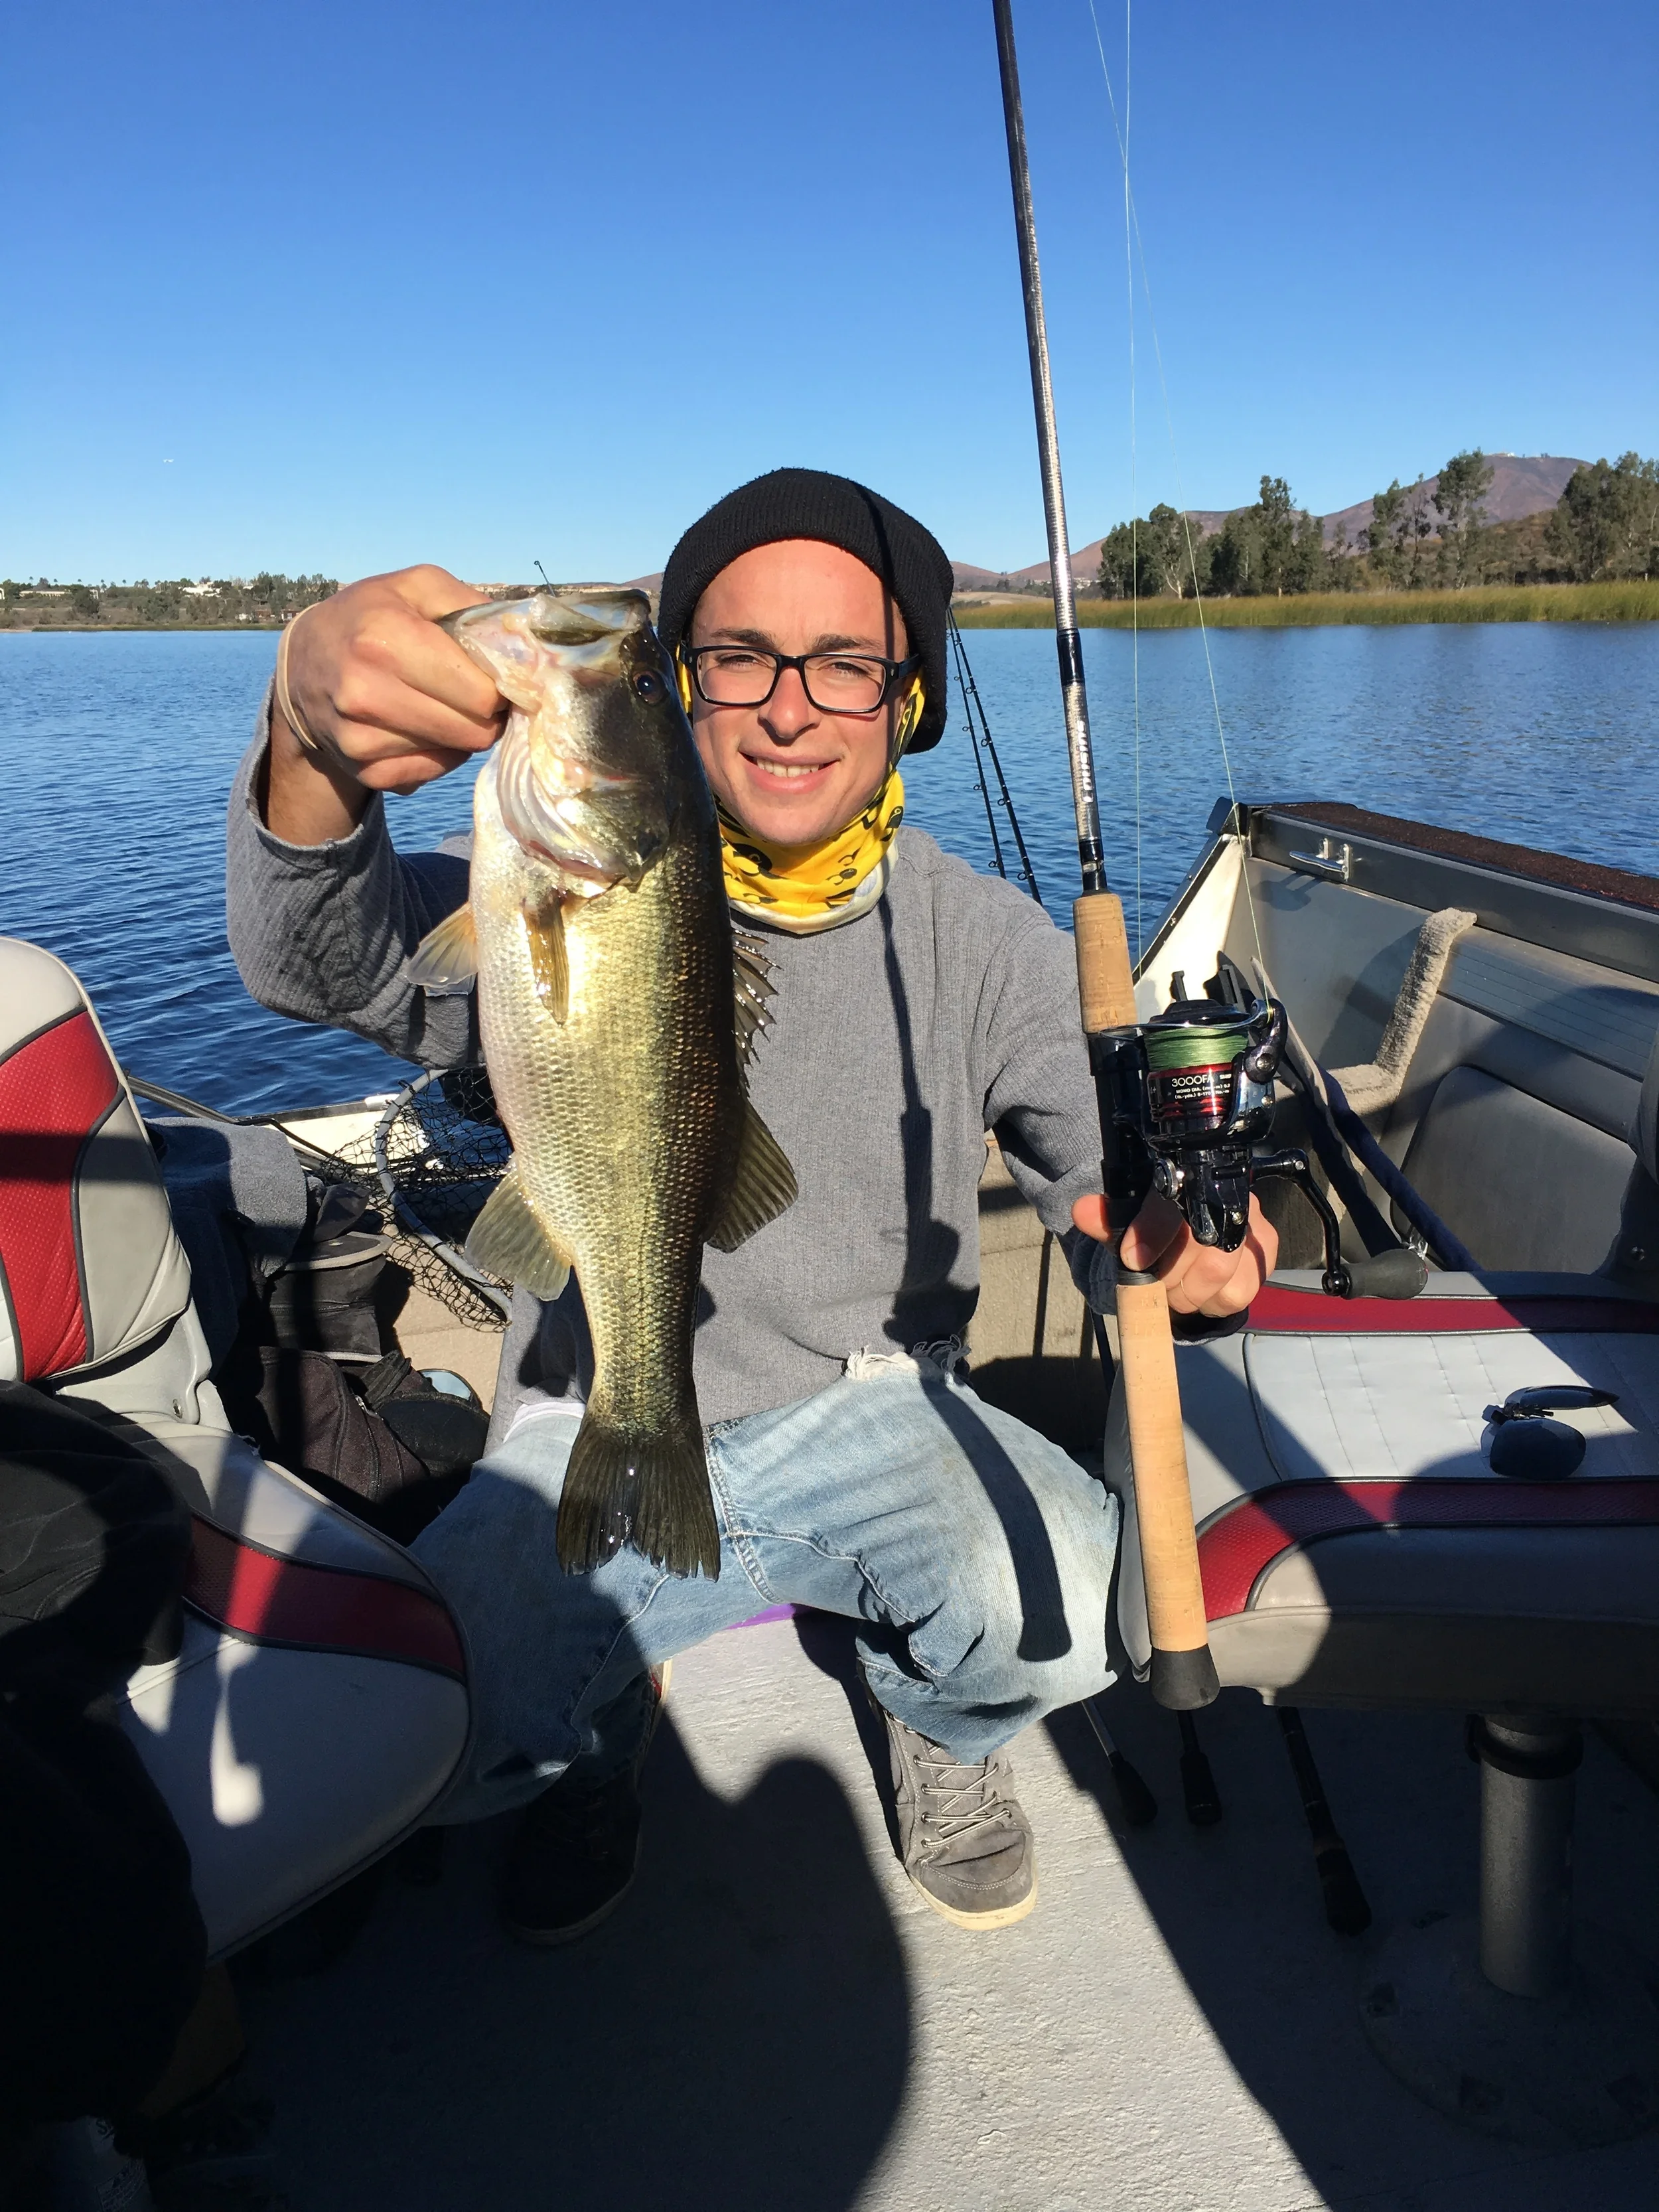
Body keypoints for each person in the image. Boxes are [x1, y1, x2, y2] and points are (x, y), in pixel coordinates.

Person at [228, 469, 1275, 1941]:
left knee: (1076, 1615)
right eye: (737, 658)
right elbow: (311, 961)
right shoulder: (542, 880)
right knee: (421, 1738)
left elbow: (1096, 1185)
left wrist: (1181, 1258)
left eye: (845, 664)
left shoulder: (987, 944)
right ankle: (597, 1734)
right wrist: (305, 739)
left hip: (875, 1402)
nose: (789, 709)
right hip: (589, 1401)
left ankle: (933, 1716)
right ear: (679, 686)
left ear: (907, 700)